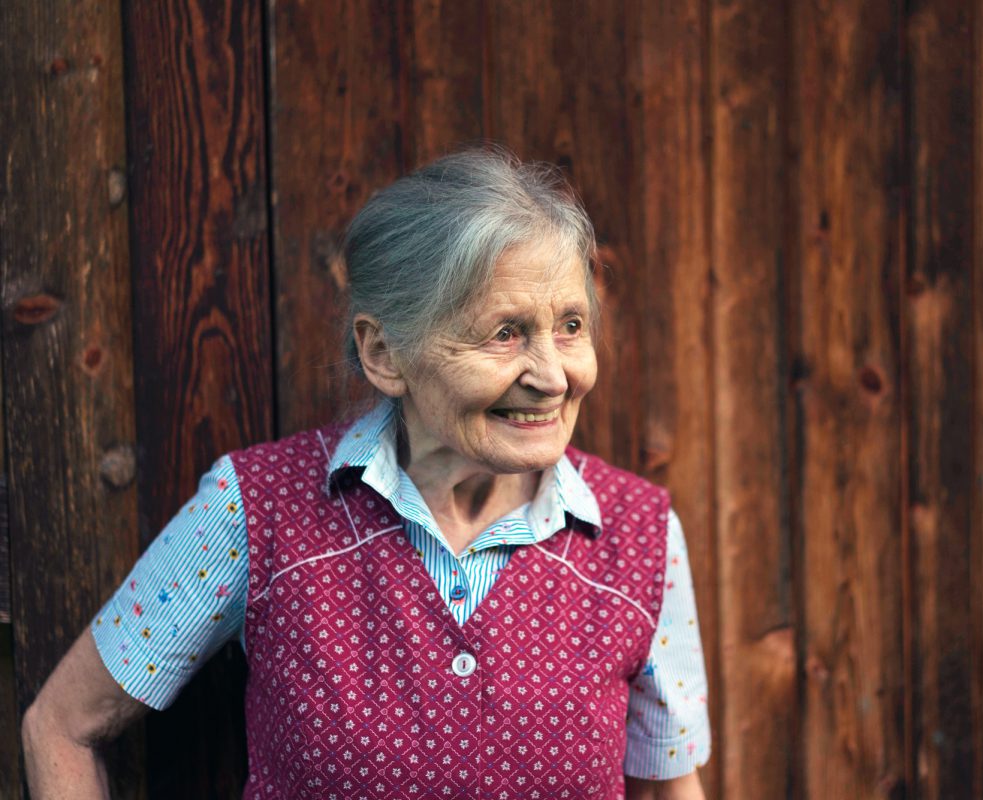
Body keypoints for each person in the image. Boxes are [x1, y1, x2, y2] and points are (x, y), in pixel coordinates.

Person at [22, 147, 711, 799]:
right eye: (505, 333)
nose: (553, 375)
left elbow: (671, 786)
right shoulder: (254, 509)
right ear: (384, 353)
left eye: (570, 326)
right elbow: (60, 726)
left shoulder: (639, 536)